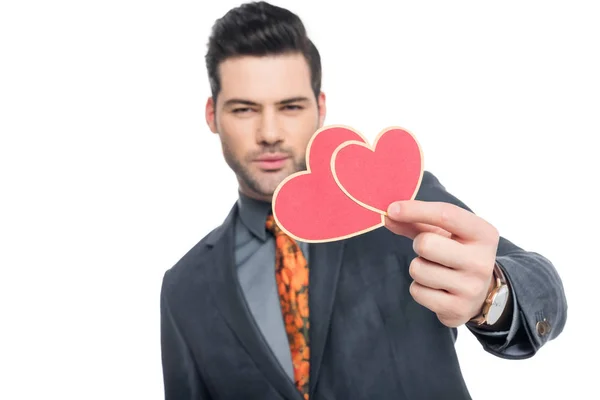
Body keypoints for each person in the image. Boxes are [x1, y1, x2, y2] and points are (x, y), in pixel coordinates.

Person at [159, 2, 568, 399]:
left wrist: (491, 296)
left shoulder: (393, 202)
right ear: (212, 115)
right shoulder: (183, 291)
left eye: (290, 107)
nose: (269, 132)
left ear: (319, 108)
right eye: (245, 109)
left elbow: (540, 286)